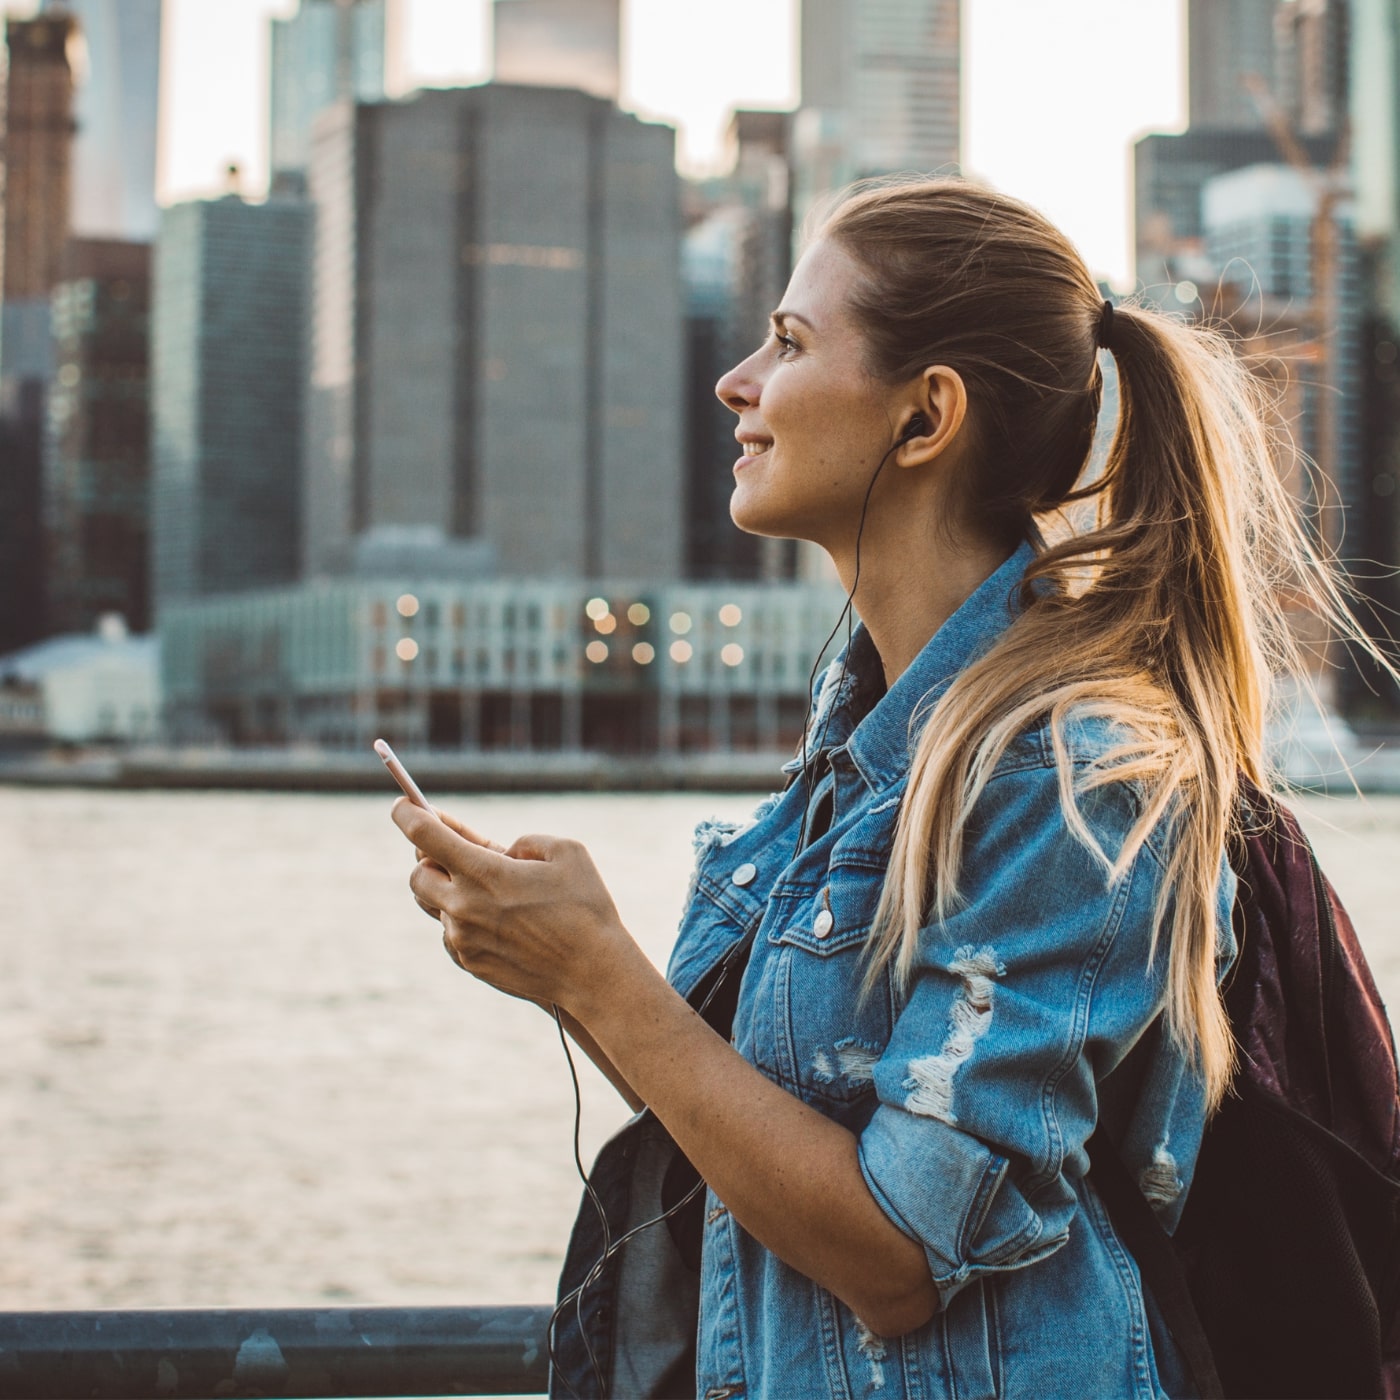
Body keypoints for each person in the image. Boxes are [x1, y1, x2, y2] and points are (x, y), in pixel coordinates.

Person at [390, 177, 1368, 1399]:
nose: (734, 382)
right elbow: (778, 1123)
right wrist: (559, 968)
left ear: (924, 417)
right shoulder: (860, 752)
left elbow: (905, 1250)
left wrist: (602, 976)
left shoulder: (1069, 772)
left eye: (789, 343)